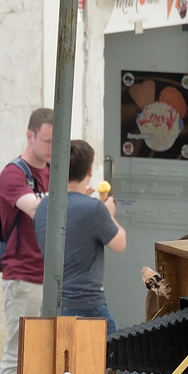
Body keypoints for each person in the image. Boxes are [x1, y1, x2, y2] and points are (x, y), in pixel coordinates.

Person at [0, 108, 54, 374]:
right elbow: (36, 210)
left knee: (45, 356)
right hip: (23, 276)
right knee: (18, 354)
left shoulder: (54, 172)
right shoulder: (14, 174)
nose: (51, 148)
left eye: (56, 142)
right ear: (30, 135)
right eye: (46, 140)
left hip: (51, 278)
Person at [32, 139, 126, 332]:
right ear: (90, 171)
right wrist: (108, 213)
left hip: (52, 306)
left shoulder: (43, 206)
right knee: (112, 357)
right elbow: (119, 243)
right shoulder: (95, 209)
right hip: (88, 307)